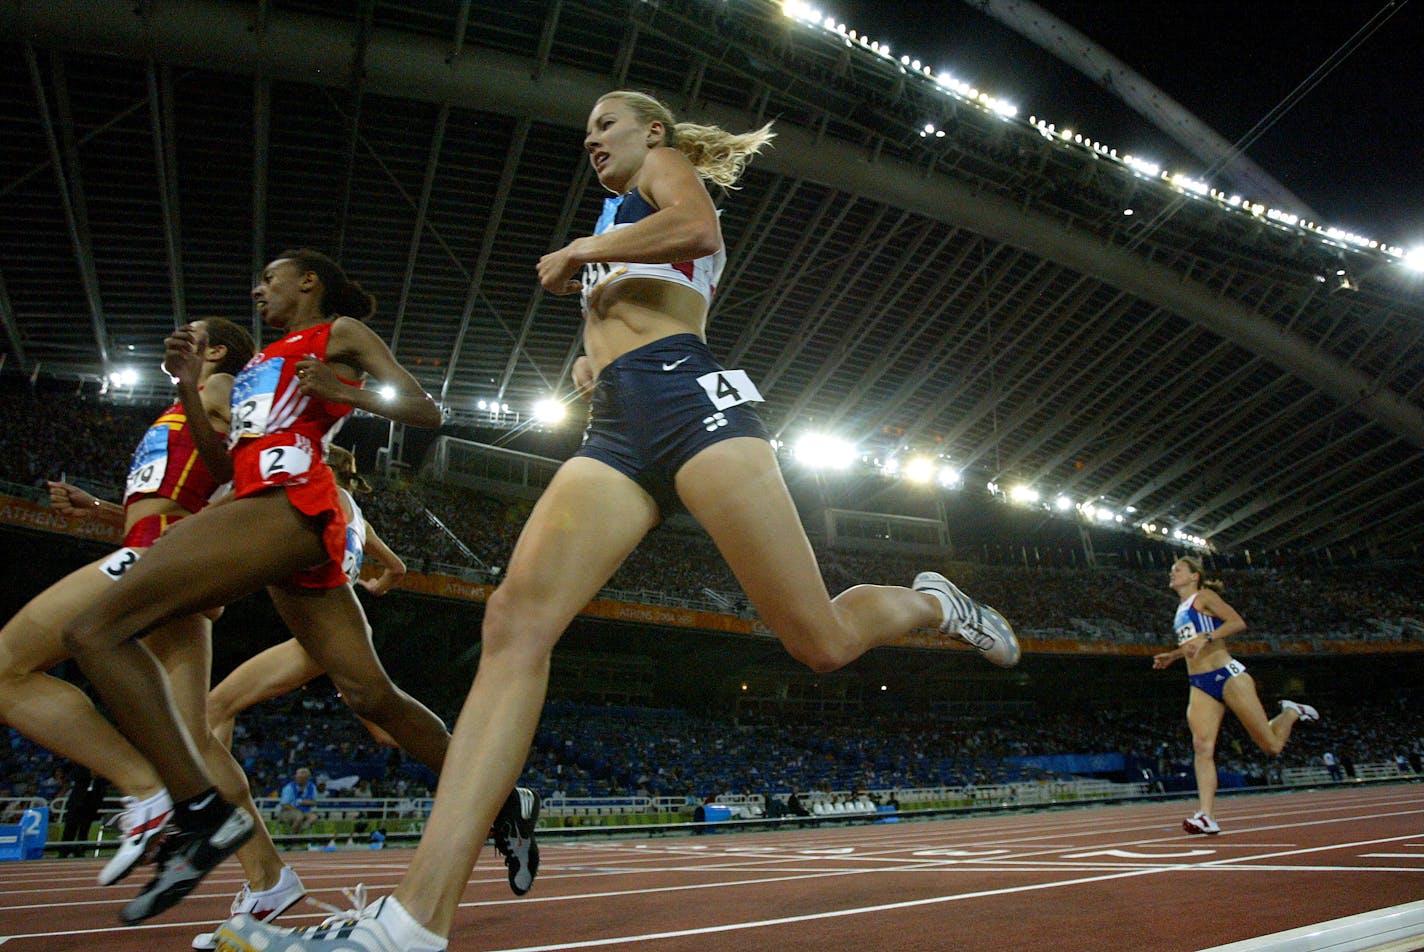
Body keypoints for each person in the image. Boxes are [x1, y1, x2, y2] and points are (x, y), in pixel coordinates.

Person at [215, 90, 1018, 952]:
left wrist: (581, 250)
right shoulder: (617, 216)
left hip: (693, 405)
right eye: (588, 132)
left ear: (653, 132)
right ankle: (414, 920)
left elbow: (699, 230)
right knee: (513, 624)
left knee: (818, 641)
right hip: (618, 429)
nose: (593, 139)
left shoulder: (658, 179)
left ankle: (936, 604)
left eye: (607, 124)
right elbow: (642, 296)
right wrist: (590, 355)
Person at [59, 250, 485, 925]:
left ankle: (193, 807)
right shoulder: (256, 367)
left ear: (307, 282)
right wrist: (189, 384)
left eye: (270, 279)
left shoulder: (337, 332)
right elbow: (222, 460)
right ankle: (494, 797)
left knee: (94, 632)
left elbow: (425, 409)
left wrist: (348, 395)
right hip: (253, 500)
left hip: (292, 502)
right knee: (369, 693)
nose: (258, 289)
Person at [0, 318, 256, 890]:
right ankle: (268, 879)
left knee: (3, 670)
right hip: (163, 557)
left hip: (157, 557)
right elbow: (175, 497)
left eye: (190, 332)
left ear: (214, 351)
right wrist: (98, 509)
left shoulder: (218, 388)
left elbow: (244, 480)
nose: (175, 335)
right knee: (193, 742)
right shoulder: (188, 404)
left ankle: (146, 791)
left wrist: (210, 552)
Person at [1153, 556, 1318, 835]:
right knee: (1202, 747)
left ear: (1194, 576)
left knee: (1271, 746)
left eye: (1177, 569)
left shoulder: (1204, 596)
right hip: (1200, 683)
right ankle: (1206, 816)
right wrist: (1173, 655)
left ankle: (1290, 711)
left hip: (1228, 676)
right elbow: (1193, 644)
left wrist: (1207, 637)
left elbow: (1237, 622)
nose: (1172, 573)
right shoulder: (1180, 609)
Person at [277, 767, 320, 834]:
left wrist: (303, 802)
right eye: (297, 777)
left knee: (314, 817)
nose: (298, 779)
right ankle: (291, 836)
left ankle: (300, 831)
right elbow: (285, 805)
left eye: (301, 778)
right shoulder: (289, 788)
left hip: (305, 811)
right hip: (288, 812)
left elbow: (314, 802)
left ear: (306, 779)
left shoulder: (311, 787)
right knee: (299, 816)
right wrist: (298, 810)